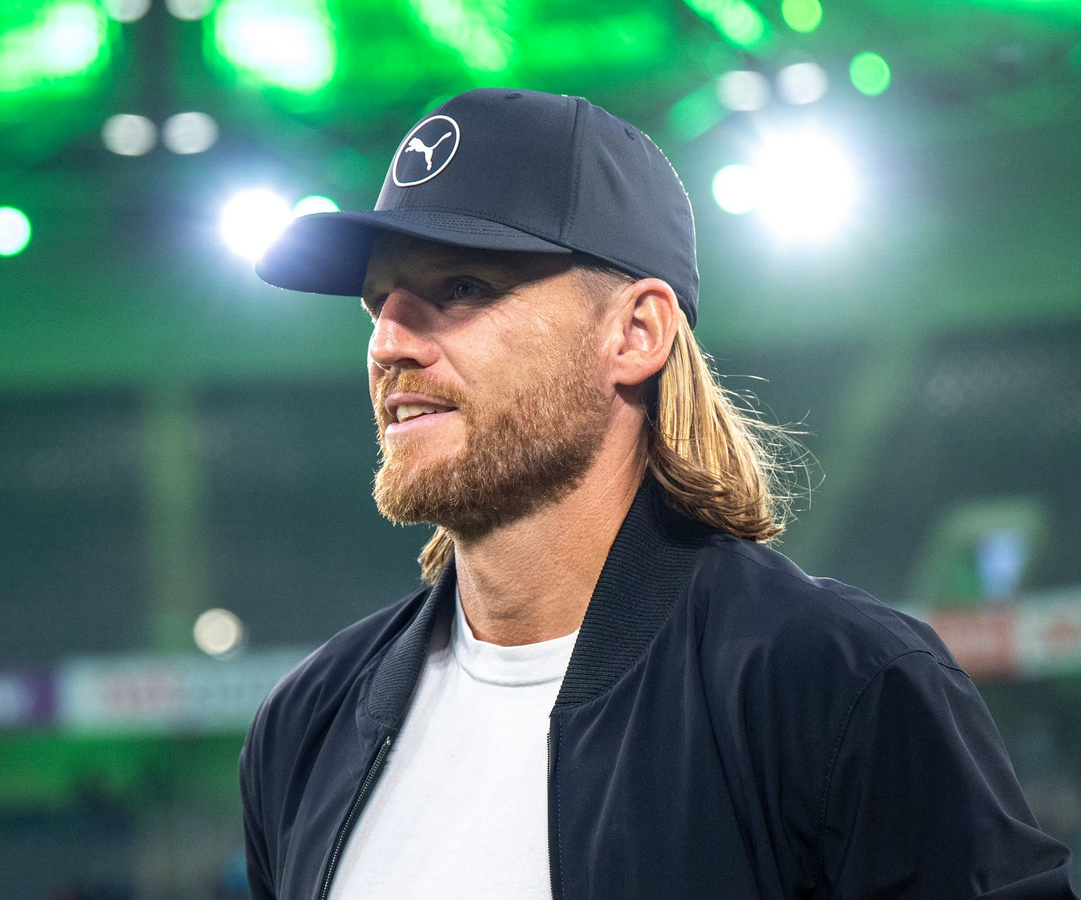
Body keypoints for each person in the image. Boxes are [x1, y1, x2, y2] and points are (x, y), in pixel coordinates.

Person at [240, 88, 1077, 899]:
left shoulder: (839, 685)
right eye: (378, 304)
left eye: (462, 288)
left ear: (636, 333)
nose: (388, 342)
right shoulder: (305, 725)